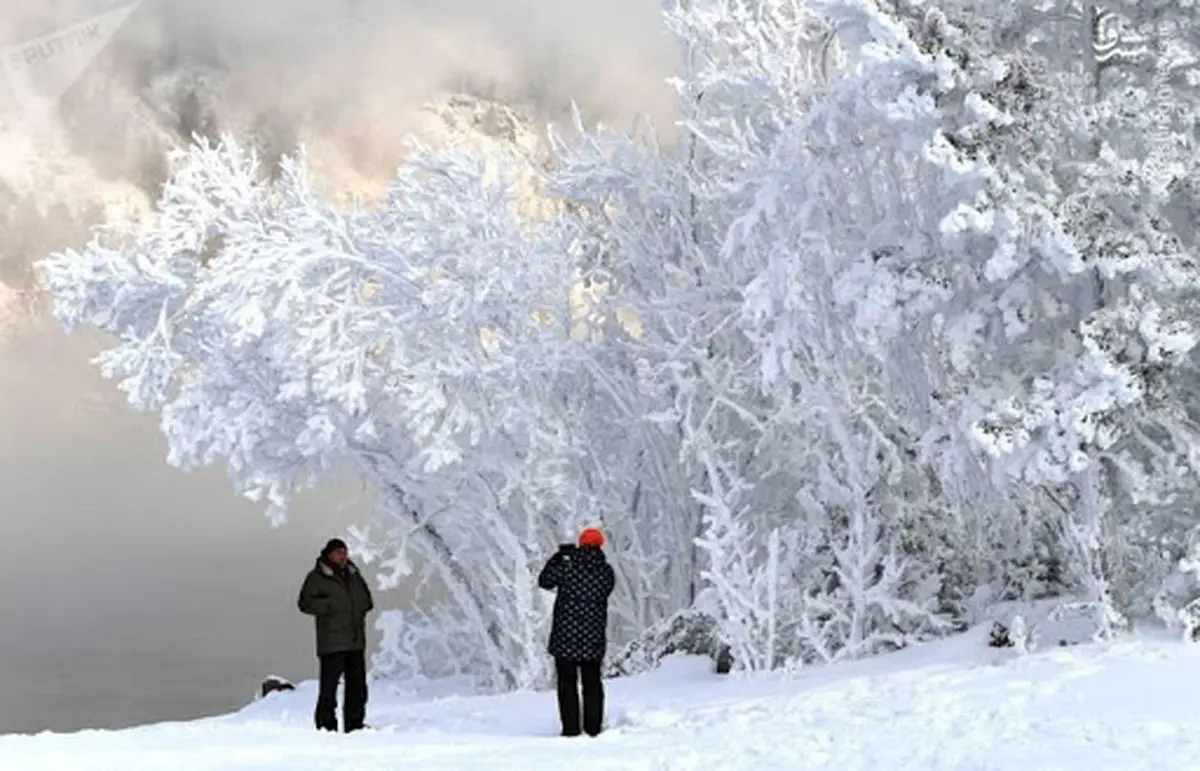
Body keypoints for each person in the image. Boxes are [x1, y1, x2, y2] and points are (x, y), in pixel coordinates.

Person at [537, 527, 615, 737]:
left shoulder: (567, 566)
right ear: (600, 546)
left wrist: (559, 556)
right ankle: (593, 728)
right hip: (593, 638)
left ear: (580, 544)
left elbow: (544, 581)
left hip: (566, 636)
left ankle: (571, 728)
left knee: (567, 684)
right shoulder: (606, 572)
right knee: (592, 683)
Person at [297, 537, 374, 732]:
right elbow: (305, 603)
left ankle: (355, 724)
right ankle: (326, 726)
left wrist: (361, 608)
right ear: (329, 554)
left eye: (345, 552)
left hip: (355, 640)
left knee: (357, 687)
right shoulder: (317, 577)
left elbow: (367, 599)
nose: (343, 556)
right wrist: (329, 606)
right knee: (329, 688)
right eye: (339, 552)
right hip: (332, 642)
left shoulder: (353, 574)